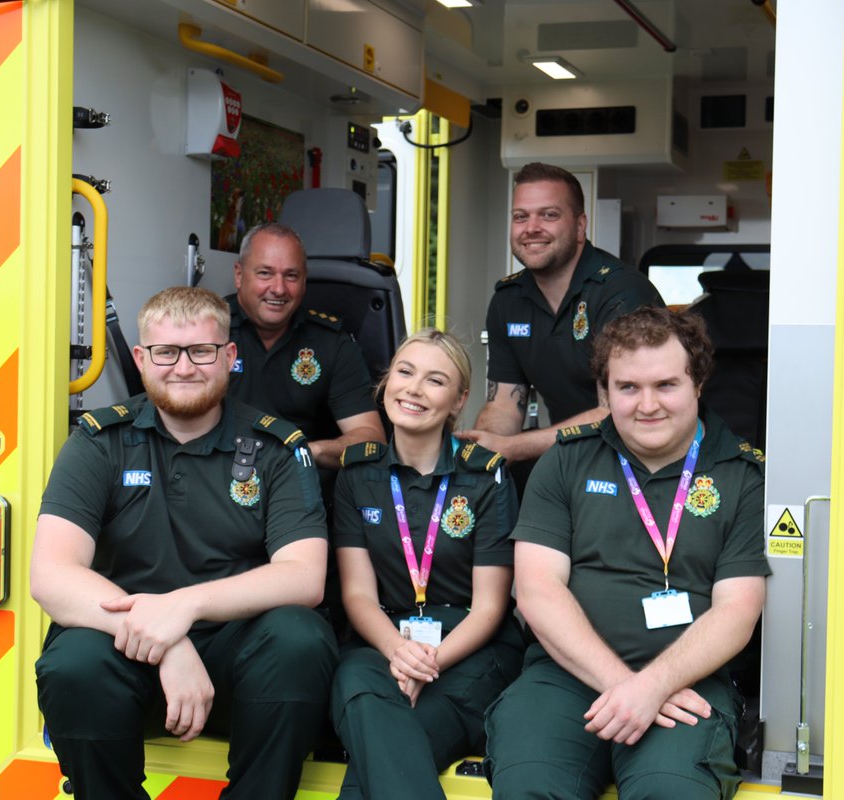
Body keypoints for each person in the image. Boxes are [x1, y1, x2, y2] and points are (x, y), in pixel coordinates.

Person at [31, 287, 338, 800]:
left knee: (299, 637)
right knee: (73, 663)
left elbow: (304, 576)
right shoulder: (98, 442)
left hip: (241, 663)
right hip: (126, 647)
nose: (183, 367)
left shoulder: (277, 448)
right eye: (165, 352)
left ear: (229, 357)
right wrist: (167, 640)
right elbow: (52, 575)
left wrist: (184, 607)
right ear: (140, 359)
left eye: (201, 351)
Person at [485, 306, 770, 800]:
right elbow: (536, 591)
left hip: (689, 684)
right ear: (605, 392)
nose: (647, 405)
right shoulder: (566, 461)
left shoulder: (742, 474)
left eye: (665, 385)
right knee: (529, 785)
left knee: (671, 793)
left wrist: (654, 685)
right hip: (565, 677)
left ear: (697, 384)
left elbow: (738, 611)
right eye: (628, 388)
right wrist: (627, 687)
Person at [330, 329, 524, 800]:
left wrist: (425, 665)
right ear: (385, 382)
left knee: (382, 755)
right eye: (405, 372)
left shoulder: (487, 475)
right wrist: (399, 652)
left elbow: (490, 607)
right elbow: (358, 594)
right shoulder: (357, 475)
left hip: (470, 650)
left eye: (435, 381)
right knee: (354, 676)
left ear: (458, 401)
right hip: (385, 642)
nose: (414, 389)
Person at [455, 162, 663, 465]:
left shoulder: (621, 293)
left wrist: (515, 448)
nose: (532, 228)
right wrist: (486, 446)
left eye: (549, 215)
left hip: (644, 461)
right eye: (520, 217)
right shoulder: (508, 300)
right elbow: (503, 405)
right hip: (573, 458)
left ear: (580, 226)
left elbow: (617, 412)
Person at [228, 223, 385, 470]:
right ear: (239, 275)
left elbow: (371, 438)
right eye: (265, 273)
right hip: (220, 481)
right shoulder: (207, 332)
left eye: (291, 275)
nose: (278, 289)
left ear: (304, 281)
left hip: (301, 484)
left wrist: (309, 451)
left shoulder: (330, 341)